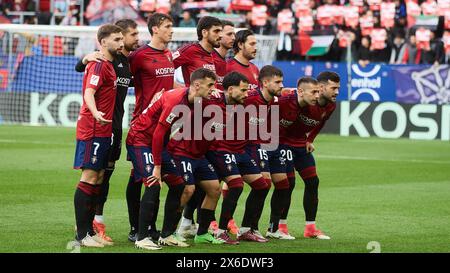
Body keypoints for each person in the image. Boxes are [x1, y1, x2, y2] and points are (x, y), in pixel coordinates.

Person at [74, 19, 138, 244]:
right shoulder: (101, 62)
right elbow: (89, 91)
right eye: (120, 38)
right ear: (104, 41)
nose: (126, 42)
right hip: (96, 126)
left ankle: (89, 228)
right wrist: (85, 58)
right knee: (91, 175)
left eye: (124, 38)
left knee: (101, 176)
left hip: (112, 127)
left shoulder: (121, 63)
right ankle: (84, 231)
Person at [150, 68, 225, 245]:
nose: (213, 89)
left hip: (199, 155)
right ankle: (169, 232)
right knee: (188, 189)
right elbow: (160, 130)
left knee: (214, 188)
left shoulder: (216, 98)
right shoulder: (187, 99)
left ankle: (202, 233)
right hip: (181, 151)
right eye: (210, 85)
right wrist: (157, 165)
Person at [126, 13, 176, 242]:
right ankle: (136, 228)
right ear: (155, 29)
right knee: (140, 178)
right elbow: (122, 78)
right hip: (143, 125)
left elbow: (169, 84)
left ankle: (151, 229)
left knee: (150, 176)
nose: (171, 30)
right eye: (167, 27)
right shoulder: (138, 56)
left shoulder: (167, 54)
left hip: (164, 126)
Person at [173, 16, 223, 237]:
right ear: (204, 32)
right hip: (189, 120)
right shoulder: (189, 50)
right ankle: (168, 228)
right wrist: (183, 91)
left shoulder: (213, 56)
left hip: (208, 122)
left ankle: (188, 222)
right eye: (216, 31)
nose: (219, 35)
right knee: (186, 182)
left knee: (210, 179)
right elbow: (166, 68)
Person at [278, 72, 340, 240]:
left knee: (313, 182)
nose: (336, 92)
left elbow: (321, 123)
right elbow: (283, 97)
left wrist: (310, 139)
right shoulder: (303, 99)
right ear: (321, 87)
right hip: (284, 143)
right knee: (288, 184)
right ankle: (281, 226)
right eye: (333, 88)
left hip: (300, 143)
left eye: (338, 88)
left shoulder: (330, 106)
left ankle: (310, 228)